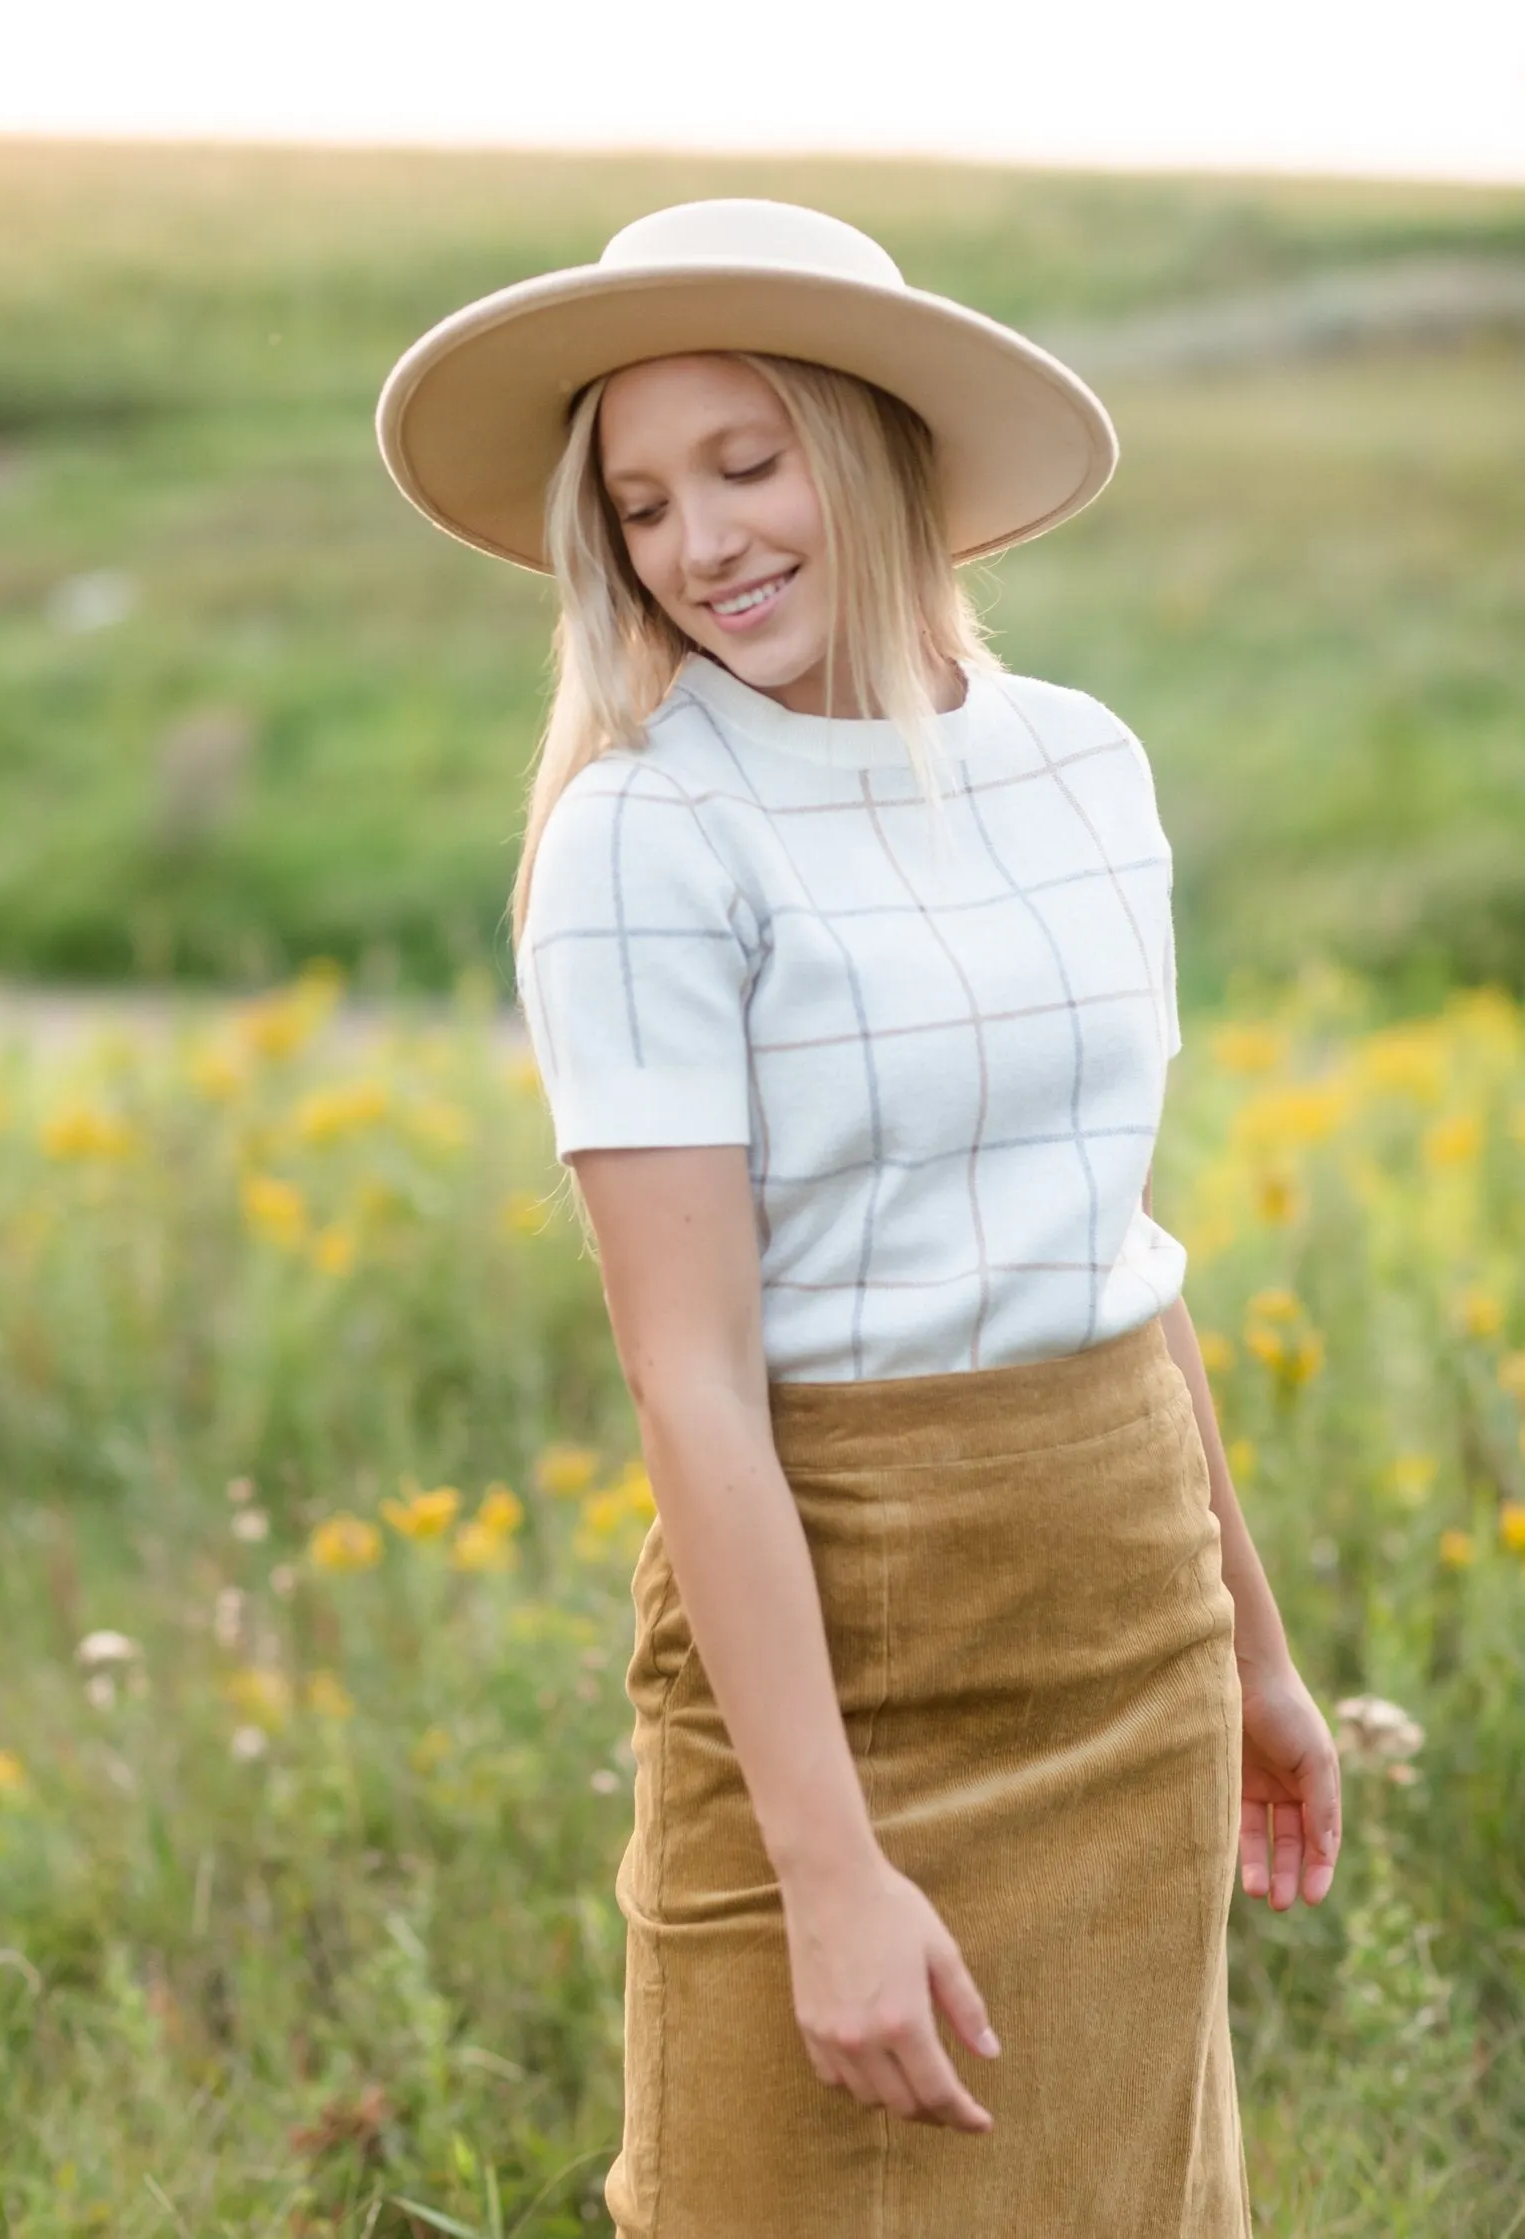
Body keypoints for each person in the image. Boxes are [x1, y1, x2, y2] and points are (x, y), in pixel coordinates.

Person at [376, 196, 1343, 2239]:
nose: (700, 543)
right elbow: (696, 1387)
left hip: (1128, 1618)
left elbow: (1118, 1244)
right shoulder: (648, 830)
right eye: (640, 502)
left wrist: (1250, 1646)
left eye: (746, 462)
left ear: (882, 443)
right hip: (835, 1649)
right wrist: (826, 1869)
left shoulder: (1084, 765)